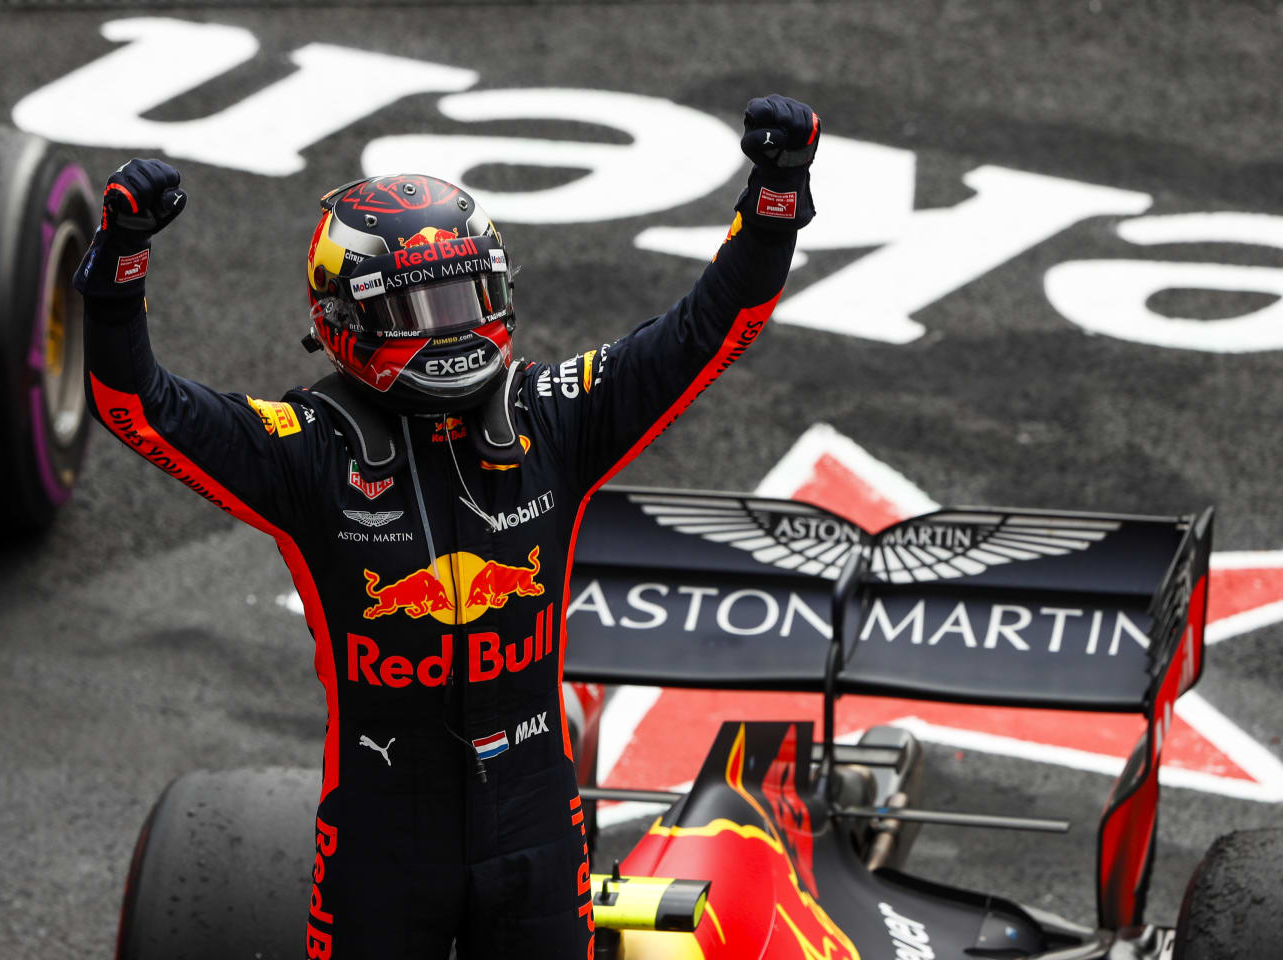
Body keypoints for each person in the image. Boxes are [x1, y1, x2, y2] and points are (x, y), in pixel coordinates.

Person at [75, 94, 820, 959]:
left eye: (467, 297)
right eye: (419, 310)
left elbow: (710, 327)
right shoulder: (302, 453)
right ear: (345, 319)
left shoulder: (556, 416)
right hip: (382, 843)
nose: (453, 329)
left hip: (537, 826)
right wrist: (120, 267)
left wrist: (775, 196)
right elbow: (135, 404)